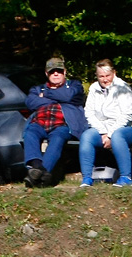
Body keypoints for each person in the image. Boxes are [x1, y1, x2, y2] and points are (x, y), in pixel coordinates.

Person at [23, 56, 88, 188]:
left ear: (64, 72)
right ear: (47, 74)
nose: (56, 74)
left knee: (58, 138)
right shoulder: (37, 88)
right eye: (52, 72)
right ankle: (38, 168)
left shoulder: (75, 85)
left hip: (62, 124)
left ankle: (38, 174)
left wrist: (46, 95)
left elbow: (68, 96)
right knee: (29, 133)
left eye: (58, 71)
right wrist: (59, 98)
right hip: (39, 122)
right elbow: (30, 102)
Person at [79, 59, 132, 188]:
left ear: (114, 73)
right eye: (101, 76)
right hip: (102, 129)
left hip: (127, 128)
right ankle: (87, 179)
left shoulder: (123, 88)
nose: (105, 79)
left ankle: (126, 177)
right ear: (97, 76)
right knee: (87, 136)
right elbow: (89, 113)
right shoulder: (94, 88)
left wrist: (110, 134)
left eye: (108, 76)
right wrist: (102, 132)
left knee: (118, 136)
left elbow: (127, 115)